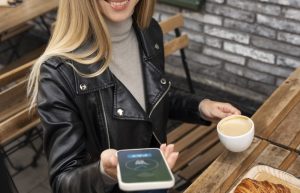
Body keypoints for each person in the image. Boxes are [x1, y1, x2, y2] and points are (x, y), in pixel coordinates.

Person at [27, 0, 241, 193]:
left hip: (157, 173)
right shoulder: (57, 72)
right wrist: (105, 172)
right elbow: (63, 181)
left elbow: (147, 97)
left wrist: (201, 106)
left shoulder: (148, 32)